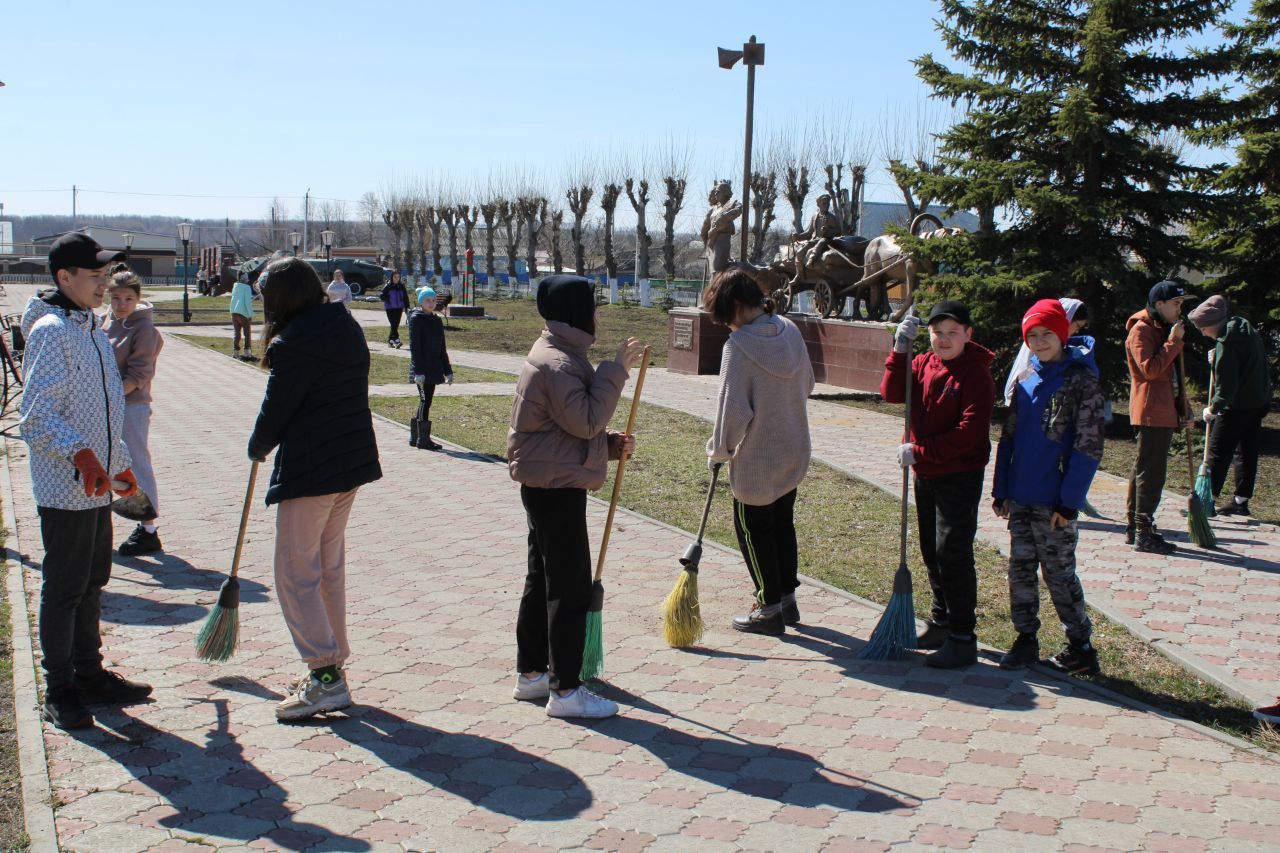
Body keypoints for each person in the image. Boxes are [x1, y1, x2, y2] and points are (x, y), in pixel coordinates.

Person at [19, 232, 151, 729]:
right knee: (66, 587)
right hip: (64, 486)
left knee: (94, 580)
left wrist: (116, 462)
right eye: (95, 277)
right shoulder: (53, 331)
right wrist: (82, 455)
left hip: (97, 486)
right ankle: (60, 688)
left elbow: (103, 405)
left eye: (105, 276)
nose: (103, 285)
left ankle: (89, 673)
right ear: (64, 277)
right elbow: (35, 417)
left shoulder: (91, 328)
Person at [247, 257, 382, 721]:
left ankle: (325, 676)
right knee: (327, 566)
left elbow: (277, 408)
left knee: (295, 572)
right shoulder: (343, 326)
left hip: (313, 470)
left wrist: (258, 445)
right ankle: (333, 665)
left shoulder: (293, 343)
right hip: (350, 464)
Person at [507, 275, 644, 719]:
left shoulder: (558, 355)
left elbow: (565, 430)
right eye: (593, 308)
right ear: (576, 313)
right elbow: (584, 420)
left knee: (543, 578)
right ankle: (566, 690)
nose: (598, 316)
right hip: (556, 487)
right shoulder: (560, 364)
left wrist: (608, 444)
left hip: (547, 479)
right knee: (569, 586)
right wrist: (615, 370)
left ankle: (533, 674)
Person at [993, 299, 1105, 676]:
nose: (1040, 342)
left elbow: (1088, 447)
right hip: (1021, 497)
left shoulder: (1081, 381)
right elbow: (1008, 438)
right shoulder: (1025, 379)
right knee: (1020, 570)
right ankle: (1025, 638)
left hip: (1054, 502)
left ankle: (1081, 646)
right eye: (1032, 335)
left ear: (1063, 333)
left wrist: (1069, 502)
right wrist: (1001, 488)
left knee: (1057, 573)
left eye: (1047, 334)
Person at [881, 300, 996, 669]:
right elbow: (893, 393)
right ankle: (942, 621)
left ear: (967, 334)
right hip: (926, 472)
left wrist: (920, 450)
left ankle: (964, 637)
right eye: (937, 333)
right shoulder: (923, 362)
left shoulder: (977, 374)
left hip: (958, 475)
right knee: (931, 550)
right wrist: (900, 349)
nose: (943, 340)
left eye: (952, 333)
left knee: (953, 552)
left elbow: (969, 433)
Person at [704, 267, 814, 635]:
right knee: (782, 523)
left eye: (725, 318)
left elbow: (732, 410)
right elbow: (809, 383)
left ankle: (768, 608)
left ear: (737, 306)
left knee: (753, 530)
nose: (726, 327)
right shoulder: (792, 330)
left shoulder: (738, 347)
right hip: (795, 449)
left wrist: (720, 450)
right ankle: (787, 599)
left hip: (757, 461)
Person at [1124, 280, 1194, 554]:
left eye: (1181, 304)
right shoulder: (1142, 330)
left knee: (1144, 469)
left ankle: (1136, 526)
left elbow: (1172, 376)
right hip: (1151, 411)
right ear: (1159, 304)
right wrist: (1174, 342)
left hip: (1163, 409)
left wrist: (1182, 407)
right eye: (1176, 303)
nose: (1180, 309)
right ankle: (1143, 531)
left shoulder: (1162, 329)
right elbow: (1150, 370)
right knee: (1150, 474)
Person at [1188, 294, 1273, 517]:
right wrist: (1216, 360)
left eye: (1203, 329)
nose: (1203, 333)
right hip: (1259, 401)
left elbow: (1226, 387)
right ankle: (1240, 501)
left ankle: (1207, 500)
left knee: (1218, 449)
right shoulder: (1245, 330)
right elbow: (1246, 365)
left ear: (1213, 325)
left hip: (1236, 406)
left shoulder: (1226, 344)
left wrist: (1212, 409)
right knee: (1246, 451)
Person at [103, 267, 165, 556]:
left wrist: (110, 394)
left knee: (137, 463)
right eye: (116, 297)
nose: (122, 304)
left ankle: (148, 529)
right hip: (105, 406)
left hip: (132, 406)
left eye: (128, 298)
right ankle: (100, 522)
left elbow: (140, 373)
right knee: (105, 463)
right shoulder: (106, 321)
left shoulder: (144, 329)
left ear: (138, 298)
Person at [1003, 298, 1088, 406]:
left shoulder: (1080, 376)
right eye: (1077, 326)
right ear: (1067, 319)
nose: (1077, 331)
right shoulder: (1026, 377)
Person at [407, 286, 453, 450]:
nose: (431, 303)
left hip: (434, 367)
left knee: (426, 401)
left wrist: (448, 370)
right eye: (428, 300)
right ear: (421, 302)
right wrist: (418, 372)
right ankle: (423, 440)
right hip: (421, 369)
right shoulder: (416, 319)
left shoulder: (436, 320)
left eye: (433, 300)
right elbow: (415, 348)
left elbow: (442, 348)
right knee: (424, 401)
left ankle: (416, 436)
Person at [793, 193, 843, 285]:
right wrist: (799, 236)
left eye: (828, 203)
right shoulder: (814, 216)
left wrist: (828, 231)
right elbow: (809, 232)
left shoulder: (831, 217)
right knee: (799, 253)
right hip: (814, 240)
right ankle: (798, 276)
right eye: (824, 203)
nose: (826, 205)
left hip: (827, 241)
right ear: (818, 205)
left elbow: (839, 231)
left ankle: (810, 261)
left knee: (822, 242)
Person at [700, 182, 742, 275]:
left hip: (722, 241)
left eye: (718, 192)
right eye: (715, 192)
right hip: (712, 242)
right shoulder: (714, 208)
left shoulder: (732, 204)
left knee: (717, 269)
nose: (716, 194)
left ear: (725, 193)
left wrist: (723, 218)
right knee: (713, 272)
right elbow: (704, 230)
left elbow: (738, 210)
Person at [380, 271, 410, 348]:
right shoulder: (388, 286)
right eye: (395, 277)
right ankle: (397, 340)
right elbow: (381, 296)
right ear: (392, 277)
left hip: (399, 308)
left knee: (395, 325)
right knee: (393, 324)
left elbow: (405, 298)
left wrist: (407, 307)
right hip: (390, 308)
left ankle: (390, 342)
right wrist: (388, 299)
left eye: (398, 277)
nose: (397, 279)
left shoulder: (401, 286)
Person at [229, 270, 255, 360]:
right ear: (245, 278)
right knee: (247, 334)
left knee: (237, 333)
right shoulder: (247, 288)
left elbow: (232, 300)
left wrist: (231, 311)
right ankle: (247, 353)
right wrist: (250, 314)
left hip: (234, 312)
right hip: (243, 313)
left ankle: (235, 352)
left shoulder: (235, 286)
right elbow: (247, 302)